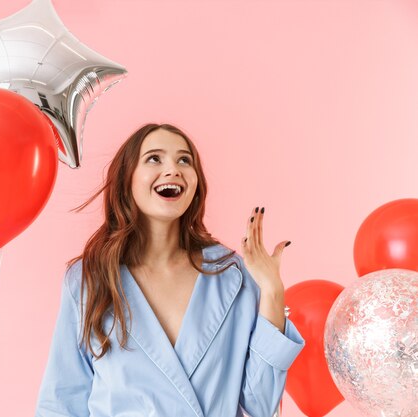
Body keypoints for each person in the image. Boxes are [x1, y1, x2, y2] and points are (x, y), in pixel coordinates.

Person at [35, 123, 305, 417]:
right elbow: (61, 403)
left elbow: (261, 404)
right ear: (128, 179)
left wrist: (272, 292)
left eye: (184, 160)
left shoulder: (230, 274)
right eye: (154, 158)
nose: (173, 169)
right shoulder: (90, 278)